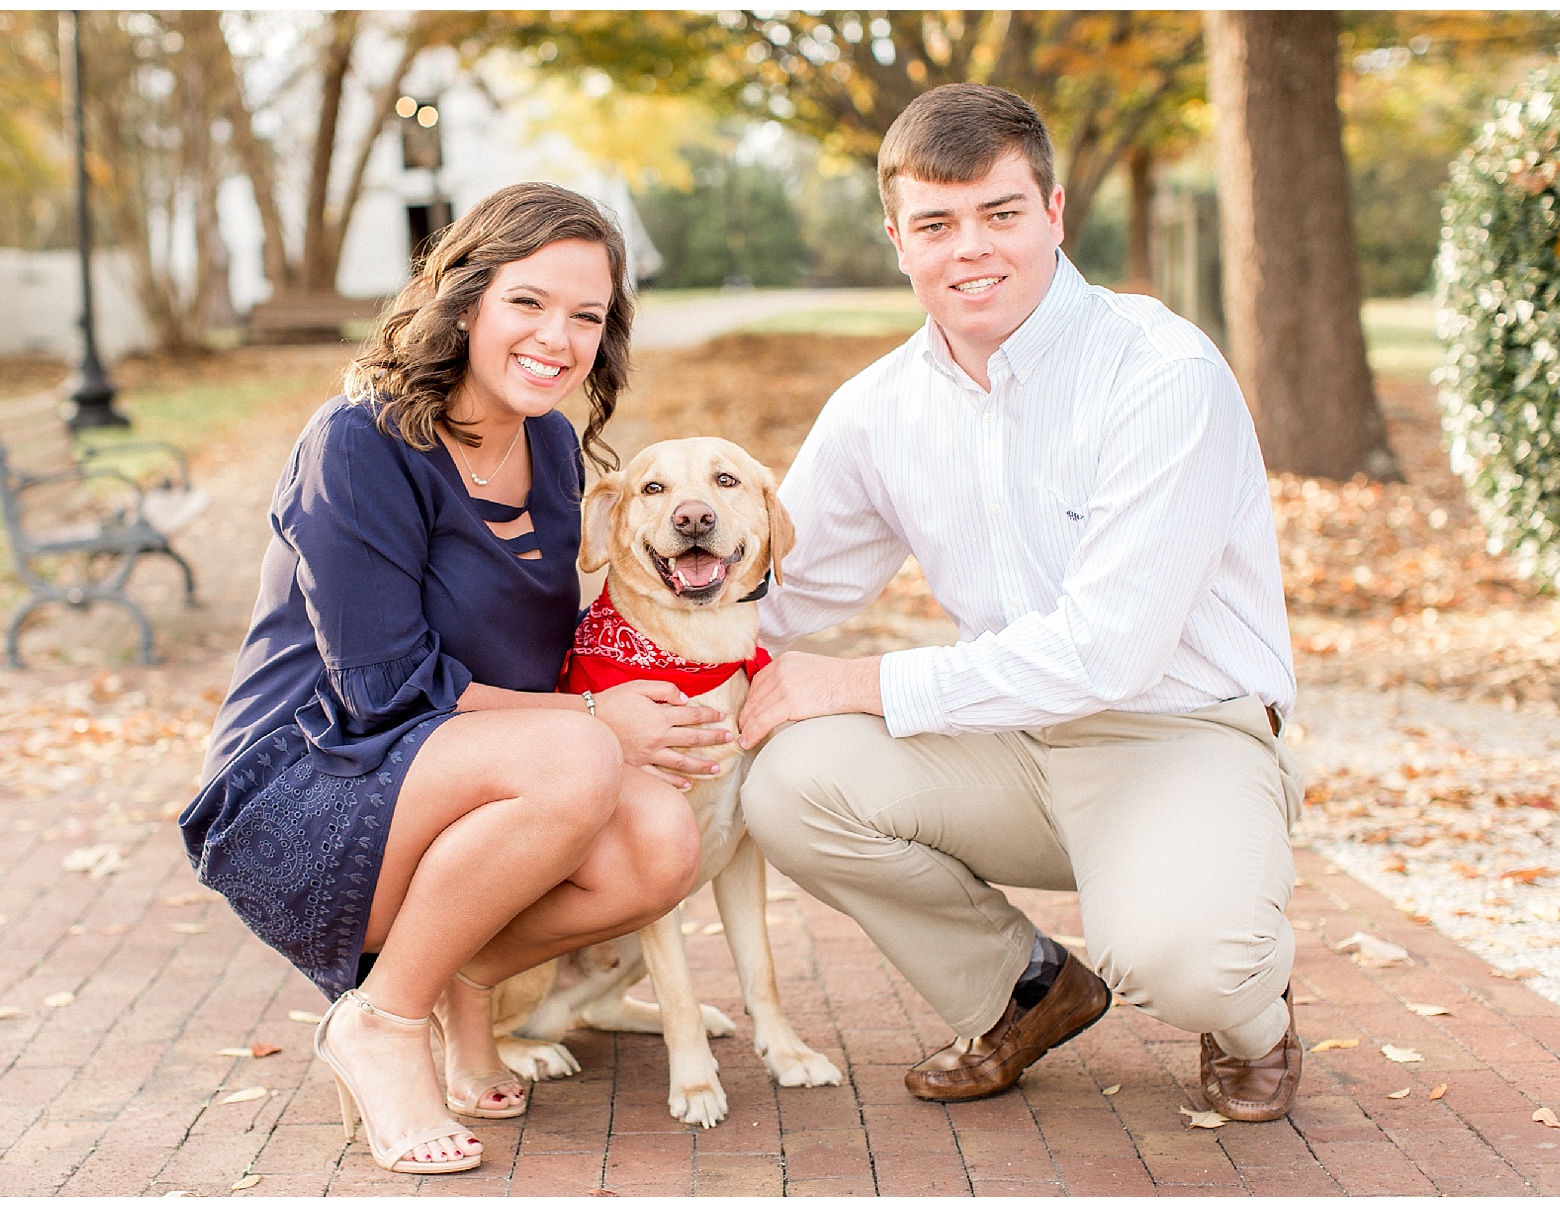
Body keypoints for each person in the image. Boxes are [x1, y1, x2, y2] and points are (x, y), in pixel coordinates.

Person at [737, 84, 1306, 1122]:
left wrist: (858, 679)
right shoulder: (878, 409)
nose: (971, 251)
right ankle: (1024, 990)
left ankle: (1250, 1011)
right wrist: (616, 667)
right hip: (1006, 739)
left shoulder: (1160, 372)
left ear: (1052, 213)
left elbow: (1111, 653)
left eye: (1000, 214)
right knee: (787, 782)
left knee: (1181, 962)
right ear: (897, 239)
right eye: (936, 224)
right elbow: (781, 585)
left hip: (1178, 733)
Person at [179, 183, 727, 1173]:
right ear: (466, 298)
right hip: (299, 790)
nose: (558, 337)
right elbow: (384, 688)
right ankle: (382, 1024)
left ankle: (459, 985)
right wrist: (597, 717)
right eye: (529, 301)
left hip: (449, 773)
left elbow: (532, 651)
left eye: (586, 316)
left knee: (661, 840)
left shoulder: (553, 446)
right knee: (576, 755)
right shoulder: (358, 443)